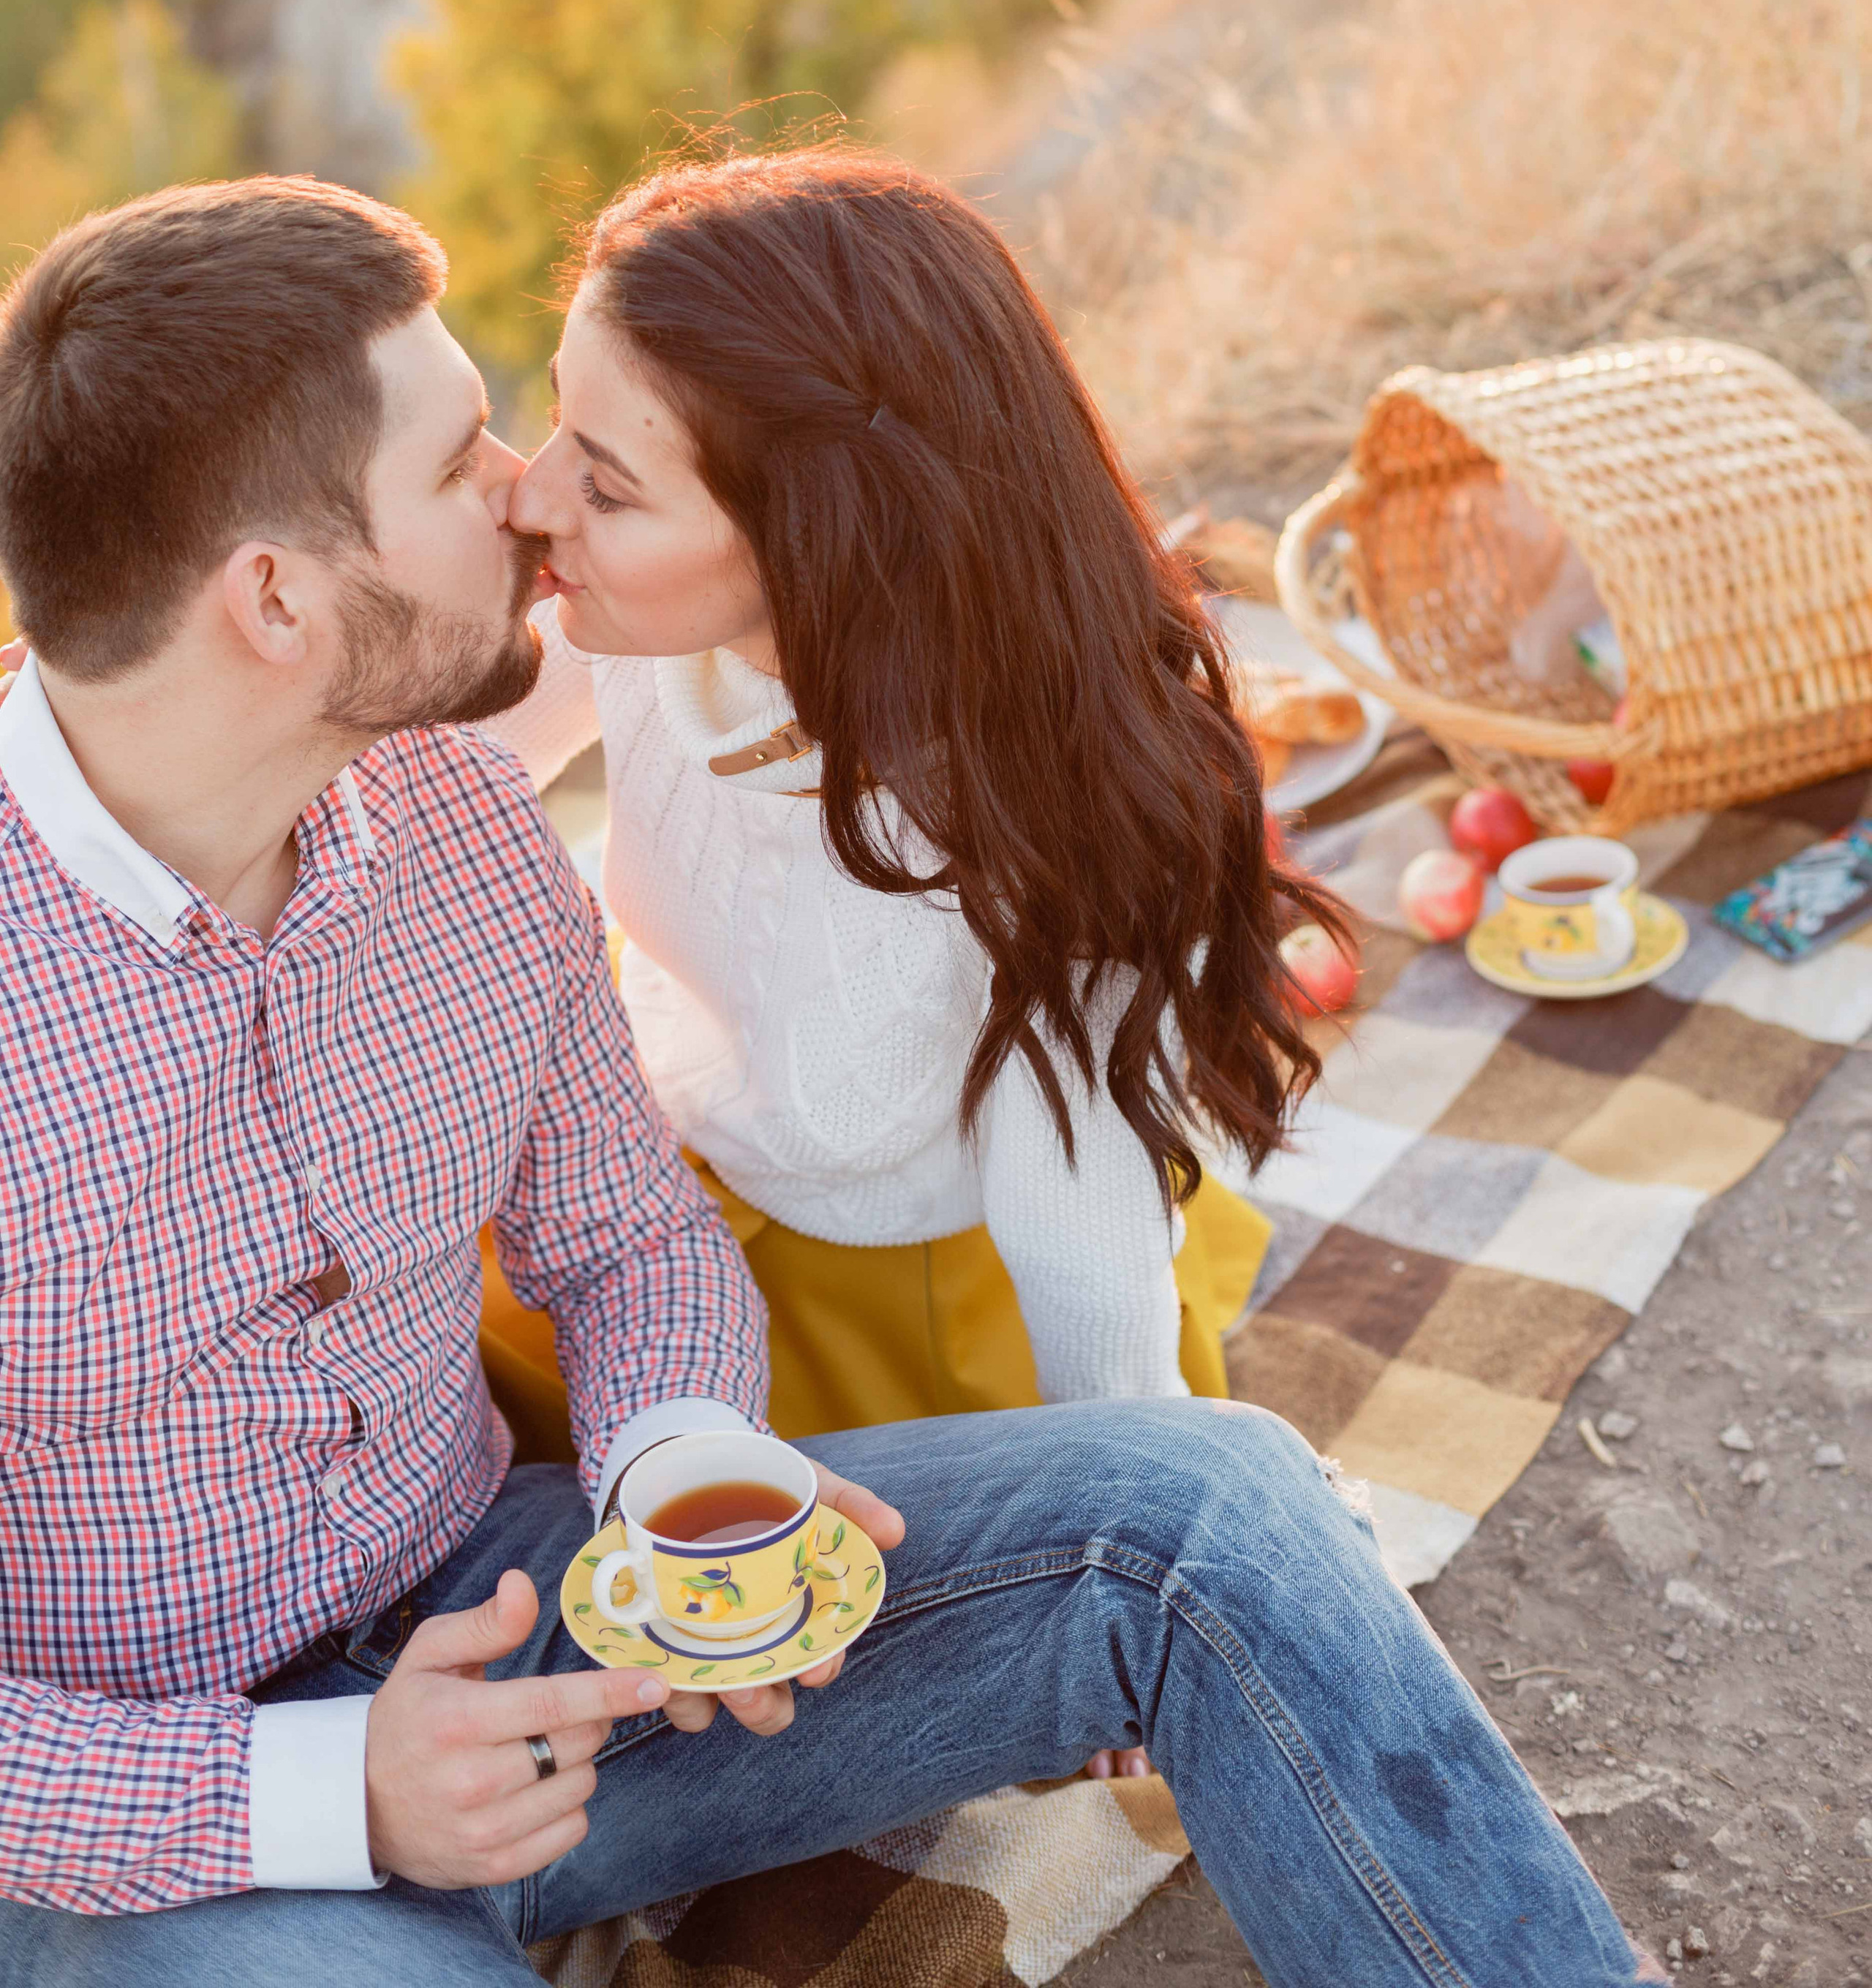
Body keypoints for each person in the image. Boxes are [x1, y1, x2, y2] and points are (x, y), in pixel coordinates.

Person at [0, 177, 1661, 1988]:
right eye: (463, 457)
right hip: (141, 1830)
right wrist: (326, 1794)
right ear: (275, 600)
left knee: (1219, 1513)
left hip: (539, 1619)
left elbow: (626, 1234)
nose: (524, 491)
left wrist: (681, 1473)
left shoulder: (459, 815)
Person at [488, 149, 1332, 1502]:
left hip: (877, 1296)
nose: (530, 502)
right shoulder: (640, 624)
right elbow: (399, 767)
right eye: (557, 427)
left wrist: (1142, 1502)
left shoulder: (1029, 827)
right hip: (647, 1201)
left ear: (819, 541)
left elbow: (1078, 1237)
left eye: (608, 485)